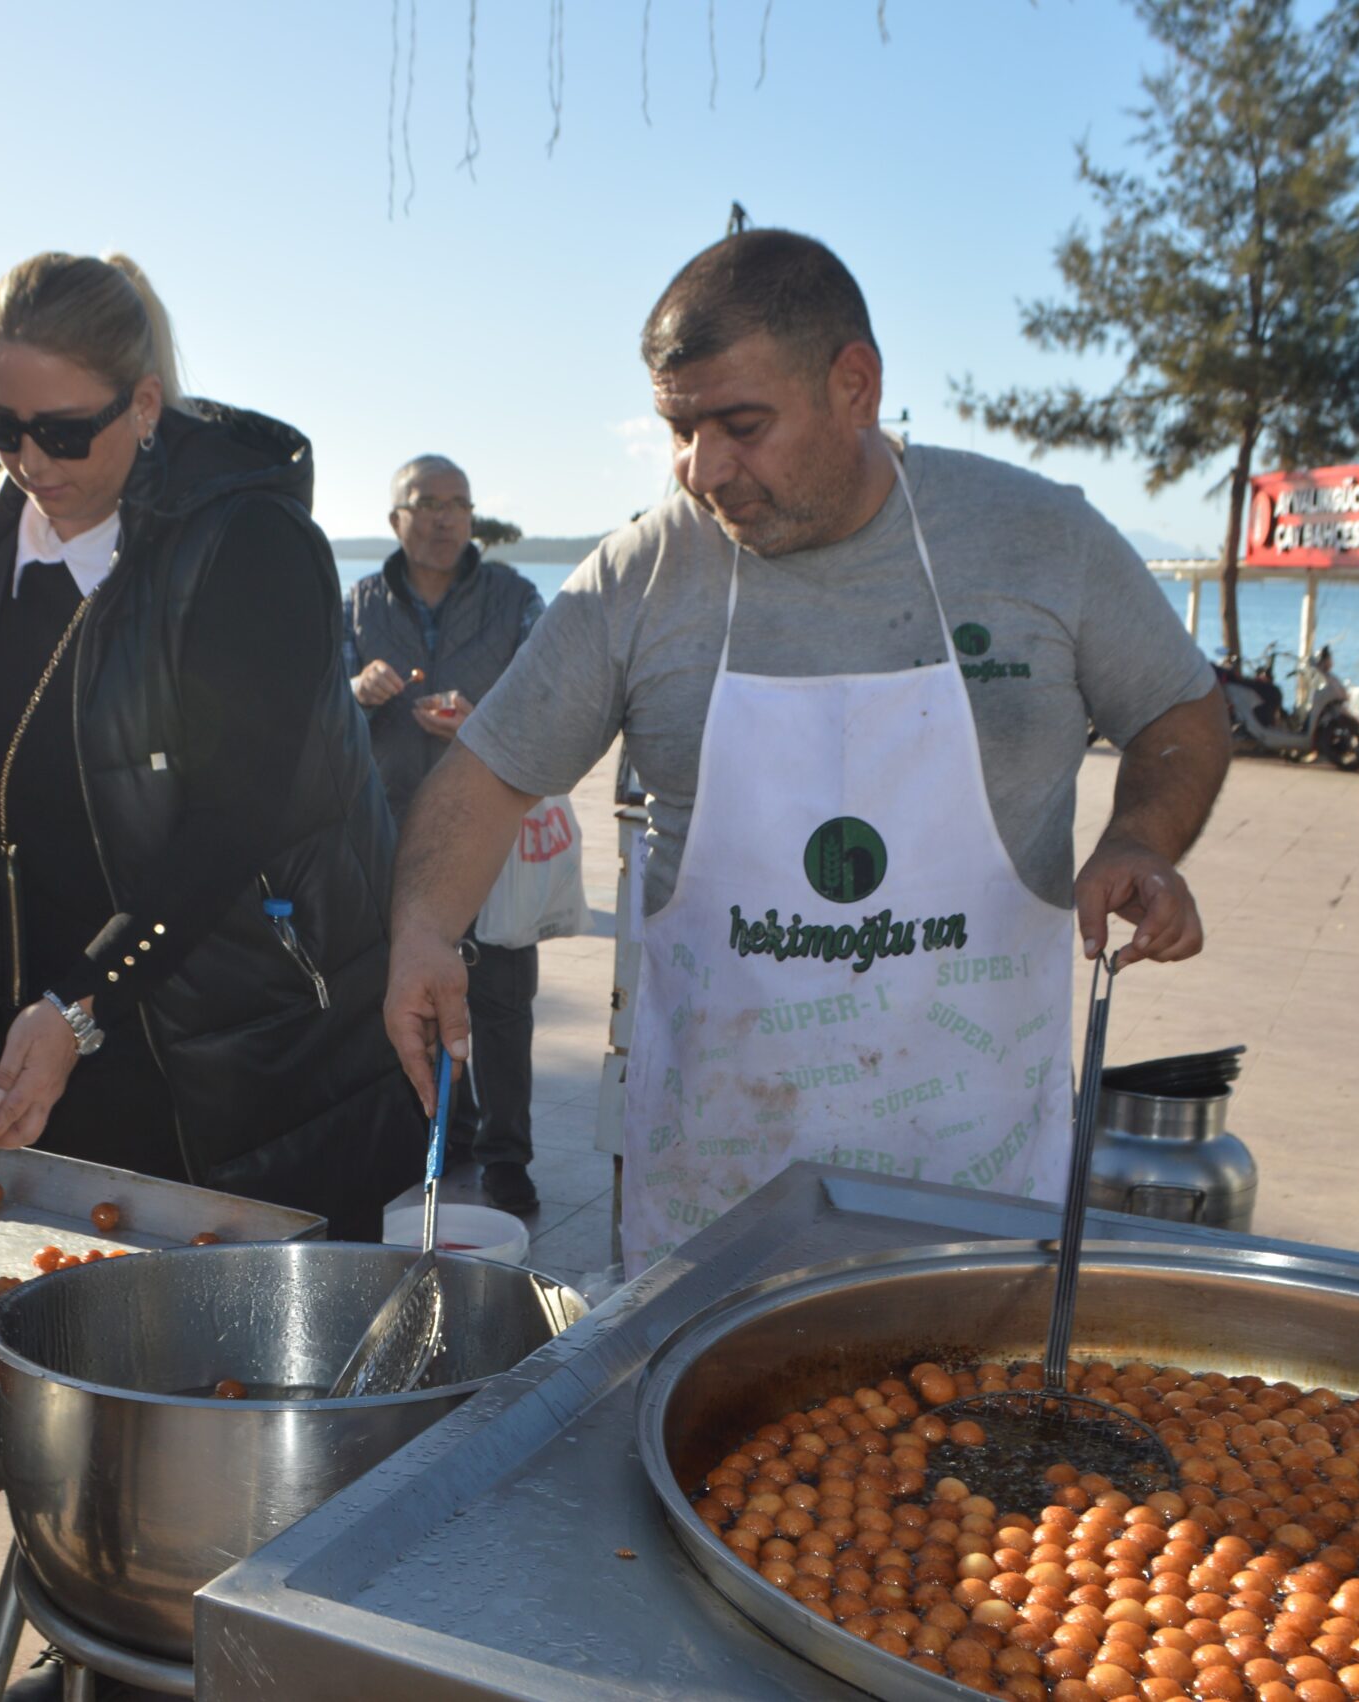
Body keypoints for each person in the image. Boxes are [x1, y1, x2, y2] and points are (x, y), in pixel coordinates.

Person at [382, 229, 1230, 1276]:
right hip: (711, 1207)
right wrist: (422, 928)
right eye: (679, 431)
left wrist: (1141, 838)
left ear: (855, 385)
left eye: (740, 425)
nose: (703, 471)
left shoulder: (1037, 539)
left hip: (972, 1189)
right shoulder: (643, 574)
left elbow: (1183, 713)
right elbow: (491, 769)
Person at [0, 252, 416, 1239]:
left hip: (229, 1054)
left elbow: (233, 818)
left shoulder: (250, 545)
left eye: (65, 432)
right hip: (35, 1034)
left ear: (146, 404)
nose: (30, 463)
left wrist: (81, 999)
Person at [345, 454, 547, 1214]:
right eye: (425, 502)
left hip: (490, 835)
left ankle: (508, 1157)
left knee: (502, 1002)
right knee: (413, 994)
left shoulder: (515, 596)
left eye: (457, 503)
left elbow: (551, 690)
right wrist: (356, 691)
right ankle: (439, 1136)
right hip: (389, 838)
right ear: (395, 518)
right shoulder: (359, 604)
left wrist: (483, 712)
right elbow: (316, 705)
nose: (443, 517)